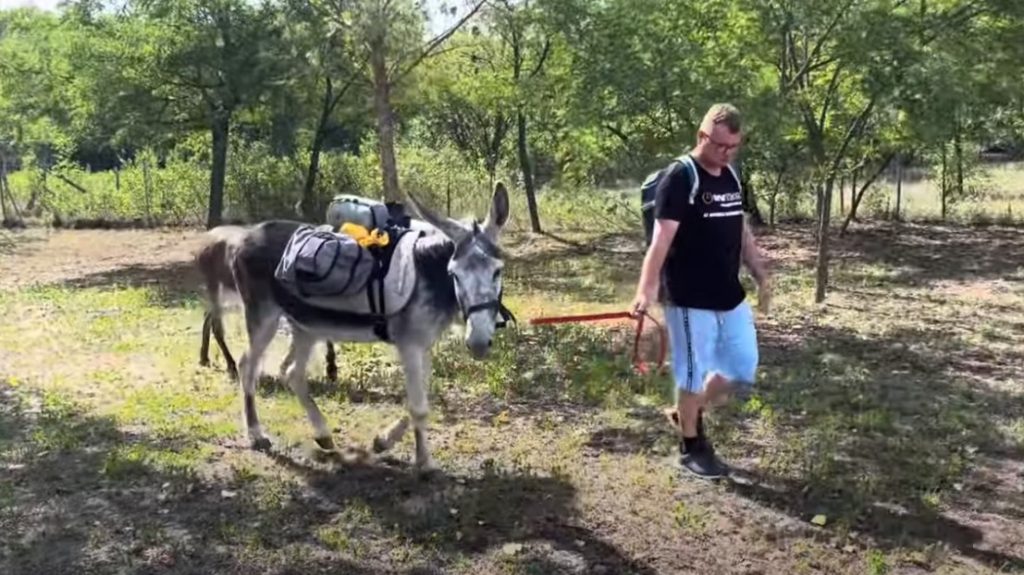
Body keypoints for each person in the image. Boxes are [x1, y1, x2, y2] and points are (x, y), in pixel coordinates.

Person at [631, 103, 771, 480]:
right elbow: (660, 242)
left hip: (729, 293)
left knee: (741, 366)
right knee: (692, 375)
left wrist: (758, 270)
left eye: (734, 147)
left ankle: (685, 413)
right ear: (702, 136)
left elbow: (740, 229)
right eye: (721, 146)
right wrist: (645, 290)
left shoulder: (730, 176)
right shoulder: (680, 177)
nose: (727, 154)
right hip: (689, 297)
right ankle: (691, 447)